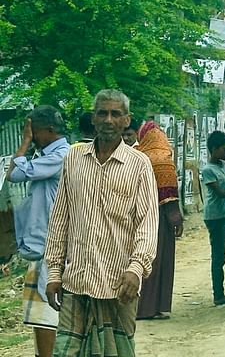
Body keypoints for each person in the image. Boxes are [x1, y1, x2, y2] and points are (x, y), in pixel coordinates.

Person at [44, 89, 159, 356]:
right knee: (66, 351)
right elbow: (61, 217)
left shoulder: (139, 164)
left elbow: (147, 223)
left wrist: (137, 268)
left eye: (115, 114)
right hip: (76, 282)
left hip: (119, 286)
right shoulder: (73, 158)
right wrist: (53, 273)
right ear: (93, 119)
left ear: (126, 120)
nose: (108, 120)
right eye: (102, 113)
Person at [9, 106, 68, 357]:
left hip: (50, 247)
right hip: (43, 245)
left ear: (49, 130)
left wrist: (24, 142)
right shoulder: (49, 156)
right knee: (38, 317)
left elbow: (13, 173)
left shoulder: (60, 156)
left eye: (34, 130)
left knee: (46, 315)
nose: (32, 134)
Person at [134, 121, 183, 320]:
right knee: (158, 259)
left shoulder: (138, 154)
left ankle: (141, 306)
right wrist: (176, 218)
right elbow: (168, 191)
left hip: (138, 214)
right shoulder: (162, 157)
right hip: (159, 217)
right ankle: (152, 306)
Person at [201, 131, 225, 306]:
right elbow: (221, 193)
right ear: (214, 149)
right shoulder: (208, 170)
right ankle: (219, 295)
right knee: (218, 256)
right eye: (224, 149)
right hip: (215, 216)